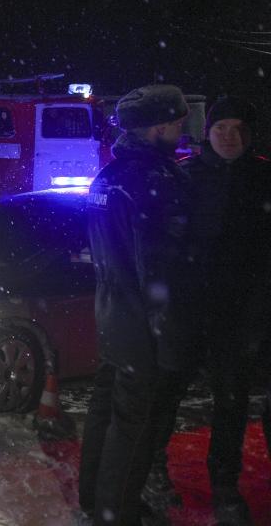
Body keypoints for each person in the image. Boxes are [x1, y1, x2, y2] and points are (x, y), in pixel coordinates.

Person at [78, 84, 200, 525]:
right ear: (159, 127)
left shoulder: (108, 177)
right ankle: (116, 513)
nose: (182, 132)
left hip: (112, 315)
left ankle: (94, 499)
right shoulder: (154, 181)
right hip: (144, 326)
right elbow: (158, 269)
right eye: (178, 124)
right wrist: (167, 335)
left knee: (105, 411)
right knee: (134, 424)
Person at [179, 97, 271, 524]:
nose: (229, 136)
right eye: (221, 129)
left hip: (262, 310)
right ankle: (225, 487)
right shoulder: (187, 178)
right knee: (229, 404)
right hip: (213, 315)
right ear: (207, 133)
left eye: (237, 128)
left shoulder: (263, 176)